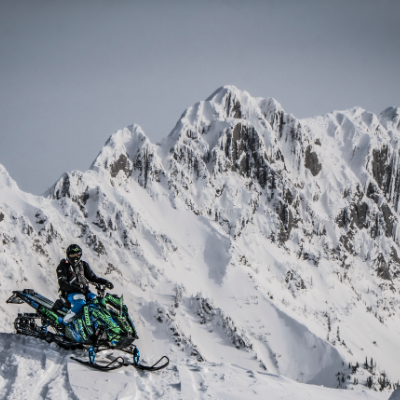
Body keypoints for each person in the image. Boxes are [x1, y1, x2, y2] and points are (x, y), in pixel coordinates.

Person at [56, 243, 114, 324]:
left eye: (77, 255)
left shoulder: (83, 265)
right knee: (81, 302)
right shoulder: (63, 267)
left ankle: (98, 325)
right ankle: (65, 322)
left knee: (97, 301)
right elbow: (62, 284)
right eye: (73, 255)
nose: (75, 257)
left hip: (85, 292)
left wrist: (106, 282)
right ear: (68, 255)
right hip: (70, 293)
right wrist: (76, 288)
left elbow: (93, 277)